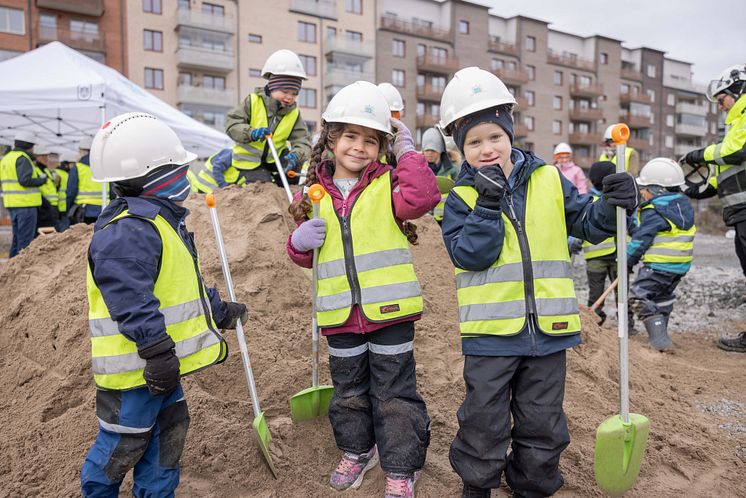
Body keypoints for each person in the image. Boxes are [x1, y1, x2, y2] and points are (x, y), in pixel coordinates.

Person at [437, 67, 638, 498]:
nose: (487, 148)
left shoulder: (548, 178)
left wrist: (614, 204)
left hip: (549, 332)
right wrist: (488, 205)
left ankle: (532, 484)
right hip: (490, 336)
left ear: (510, 132)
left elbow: (587, 221)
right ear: (460, 149)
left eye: (494, 136)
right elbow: (470, 255)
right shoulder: (461, 198)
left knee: (543, 420)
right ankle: (479, 486)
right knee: (483, 420)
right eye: (474, 142)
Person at [80, 112, 247, 497]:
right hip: (134, 374)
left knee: (166, 444)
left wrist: (218, 312)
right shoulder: (128, 231)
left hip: (161, 370)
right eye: (178, 169)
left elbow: (178, 287)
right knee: (122, 446)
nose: (185, 177)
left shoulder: (158, 222)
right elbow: (132, 302)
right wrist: (156, 352)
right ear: (155, 175)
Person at [286, 81, 440, 497]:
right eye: (350, 137)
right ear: (331, 141)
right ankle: (357, 450)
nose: (359, 147)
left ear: (381, 147)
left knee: (394, 393)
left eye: (370, 140)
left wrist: (406, 149)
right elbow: (305, 258)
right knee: (349, 391)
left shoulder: (389, 184)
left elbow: (424, 197)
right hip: (339, 316)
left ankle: (401, 466)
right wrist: (299, 244)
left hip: (389, 313)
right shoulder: (314, 194)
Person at [681, 64, 746, 352]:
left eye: (722, 100)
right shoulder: (735, 123)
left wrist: (701, 154)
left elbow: (735, 152)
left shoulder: (744, 114)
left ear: (738, 90)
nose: (720, 107)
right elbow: (730, 170)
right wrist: (701, 189)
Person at [627, 158, 695, 352]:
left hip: (658, 266)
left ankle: (659, 340)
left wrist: (627, 259)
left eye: (645, 188)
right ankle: (662, 336)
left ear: (658, 190)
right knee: (662, 298)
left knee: (636, 296)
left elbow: (641, 239)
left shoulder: (655, 211)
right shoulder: (683, 207)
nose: (642, 192)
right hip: (679, 267)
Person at [225, 49, 311, 185]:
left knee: (293, 169)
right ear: (272, 87)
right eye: (284, 91)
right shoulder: (253, 101)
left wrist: (297, 155)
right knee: (262, 185)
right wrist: (251, 133)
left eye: (294, 93)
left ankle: (283, 189)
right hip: (249, 161)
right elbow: (232, 123)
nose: (289, 97)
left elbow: (303, 139)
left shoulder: (293, 113)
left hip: (274, 158)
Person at [582, 161, 628, 326]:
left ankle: (626, 323)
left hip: (619, 255)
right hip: (596, 256)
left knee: (622, 292)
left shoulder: (620, 199)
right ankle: (595, 322)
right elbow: (580, 222)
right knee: (596, 292)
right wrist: (573, 241)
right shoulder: (589, 200)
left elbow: (631, 223)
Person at [0, 130, 47, 257]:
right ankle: (22, 271)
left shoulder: (6, 158)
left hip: (12, 204)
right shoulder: (23, 158)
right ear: (29, 146)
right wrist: (42, 180)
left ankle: (12, 268)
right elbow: (25, 180)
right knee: (25, 241)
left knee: (17, 239)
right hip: (25, 204)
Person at [66, 136, 108, 224]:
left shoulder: (78, 168)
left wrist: (69, 208)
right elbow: (112, 190)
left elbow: (71, 192)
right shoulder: (104, 167)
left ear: (82, 151)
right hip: (104, 209)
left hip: (85, 211)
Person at [421, 127, 458, 224]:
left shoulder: (453, 170)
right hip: (424, 221)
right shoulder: (417, 170)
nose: (429, 153)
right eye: (427, 150)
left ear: (440, 151)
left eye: (433, 150)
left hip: (447, 220)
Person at [33, 145, 61, 231]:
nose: (46, 158)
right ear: (37, 157)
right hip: (43, 207)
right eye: (43, 156)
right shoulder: (35, 170)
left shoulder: (46, 171)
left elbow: (52, 188)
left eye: (46, 156)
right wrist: (46, 204)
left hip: (53, 206)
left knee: (54, 230)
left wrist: (57, 183)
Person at [55, 151, 76, 232]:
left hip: (66, 206)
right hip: (61, 207)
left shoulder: (67, 173)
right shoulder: (58, 174)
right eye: (72, 164)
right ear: (65, 164)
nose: (74, 166)